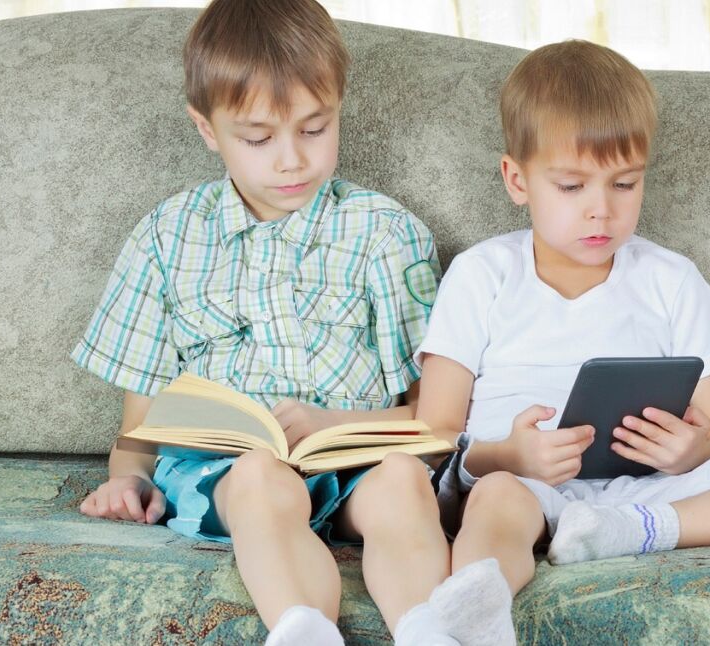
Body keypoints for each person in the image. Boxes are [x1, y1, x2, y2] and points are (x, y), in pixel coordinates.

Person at [416, 39, 710, 637]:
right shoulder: (482, 273)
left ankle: (635, 532)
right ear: (517, 179)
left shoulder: (670, 278)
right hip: (518, 483)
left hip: (657, 492)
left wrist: (693, 451)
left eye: (624, 184)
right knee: (495, 505)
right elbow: (432, 436)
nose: (601, 212)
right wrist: (507, 455)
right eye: (571, 187)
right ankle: (481, 618)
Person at [71, 1, 477, 644]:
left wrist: (335, 427)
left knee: (402, 482)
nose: (291, 160)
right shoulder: (167, 237)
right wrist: (128, 479)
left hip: (357, 459)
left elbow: (434, 418)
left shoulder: (385, 233)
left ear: (339, 106)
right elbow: (140, 429)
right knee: (261, 478)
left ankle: (429, 631)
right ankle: (304, 630)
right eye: (258, 139)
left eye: (315, 129)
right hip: (226, 473)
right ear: (207, 129)